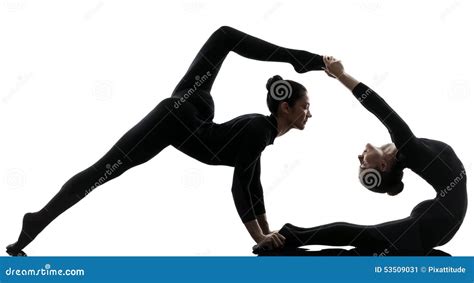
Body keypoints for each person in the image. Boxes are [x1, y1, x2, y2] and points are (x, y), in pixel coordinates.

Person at [6, 26, 325, 256]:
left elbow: (252, 182)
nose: (309, 114)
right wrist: (259, 237)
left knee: (224, 38)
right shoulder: (260, 130)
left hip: (190, 106)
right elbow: (240, 185)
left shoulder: (261, 133)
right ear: (286, 107)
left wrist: (267, 232)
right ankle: (36, 223)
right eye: (305, 106)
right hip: (179, 120)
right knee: (103, 170)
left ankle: (35, 223)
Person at [255, 56, 468, 254]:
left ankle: (287, 243)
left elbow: (381, 109)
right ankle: (289, 238)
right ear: (383, 166)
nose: (360, 158)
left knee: (364, 247)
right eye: (364, 166)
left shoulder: (409, 152)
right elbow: (381, 108)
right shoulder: (409, 150)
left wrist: (340, 75)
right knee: (364, 239)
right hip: (431, 225)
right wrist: (341, 75)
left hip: (430, 225)